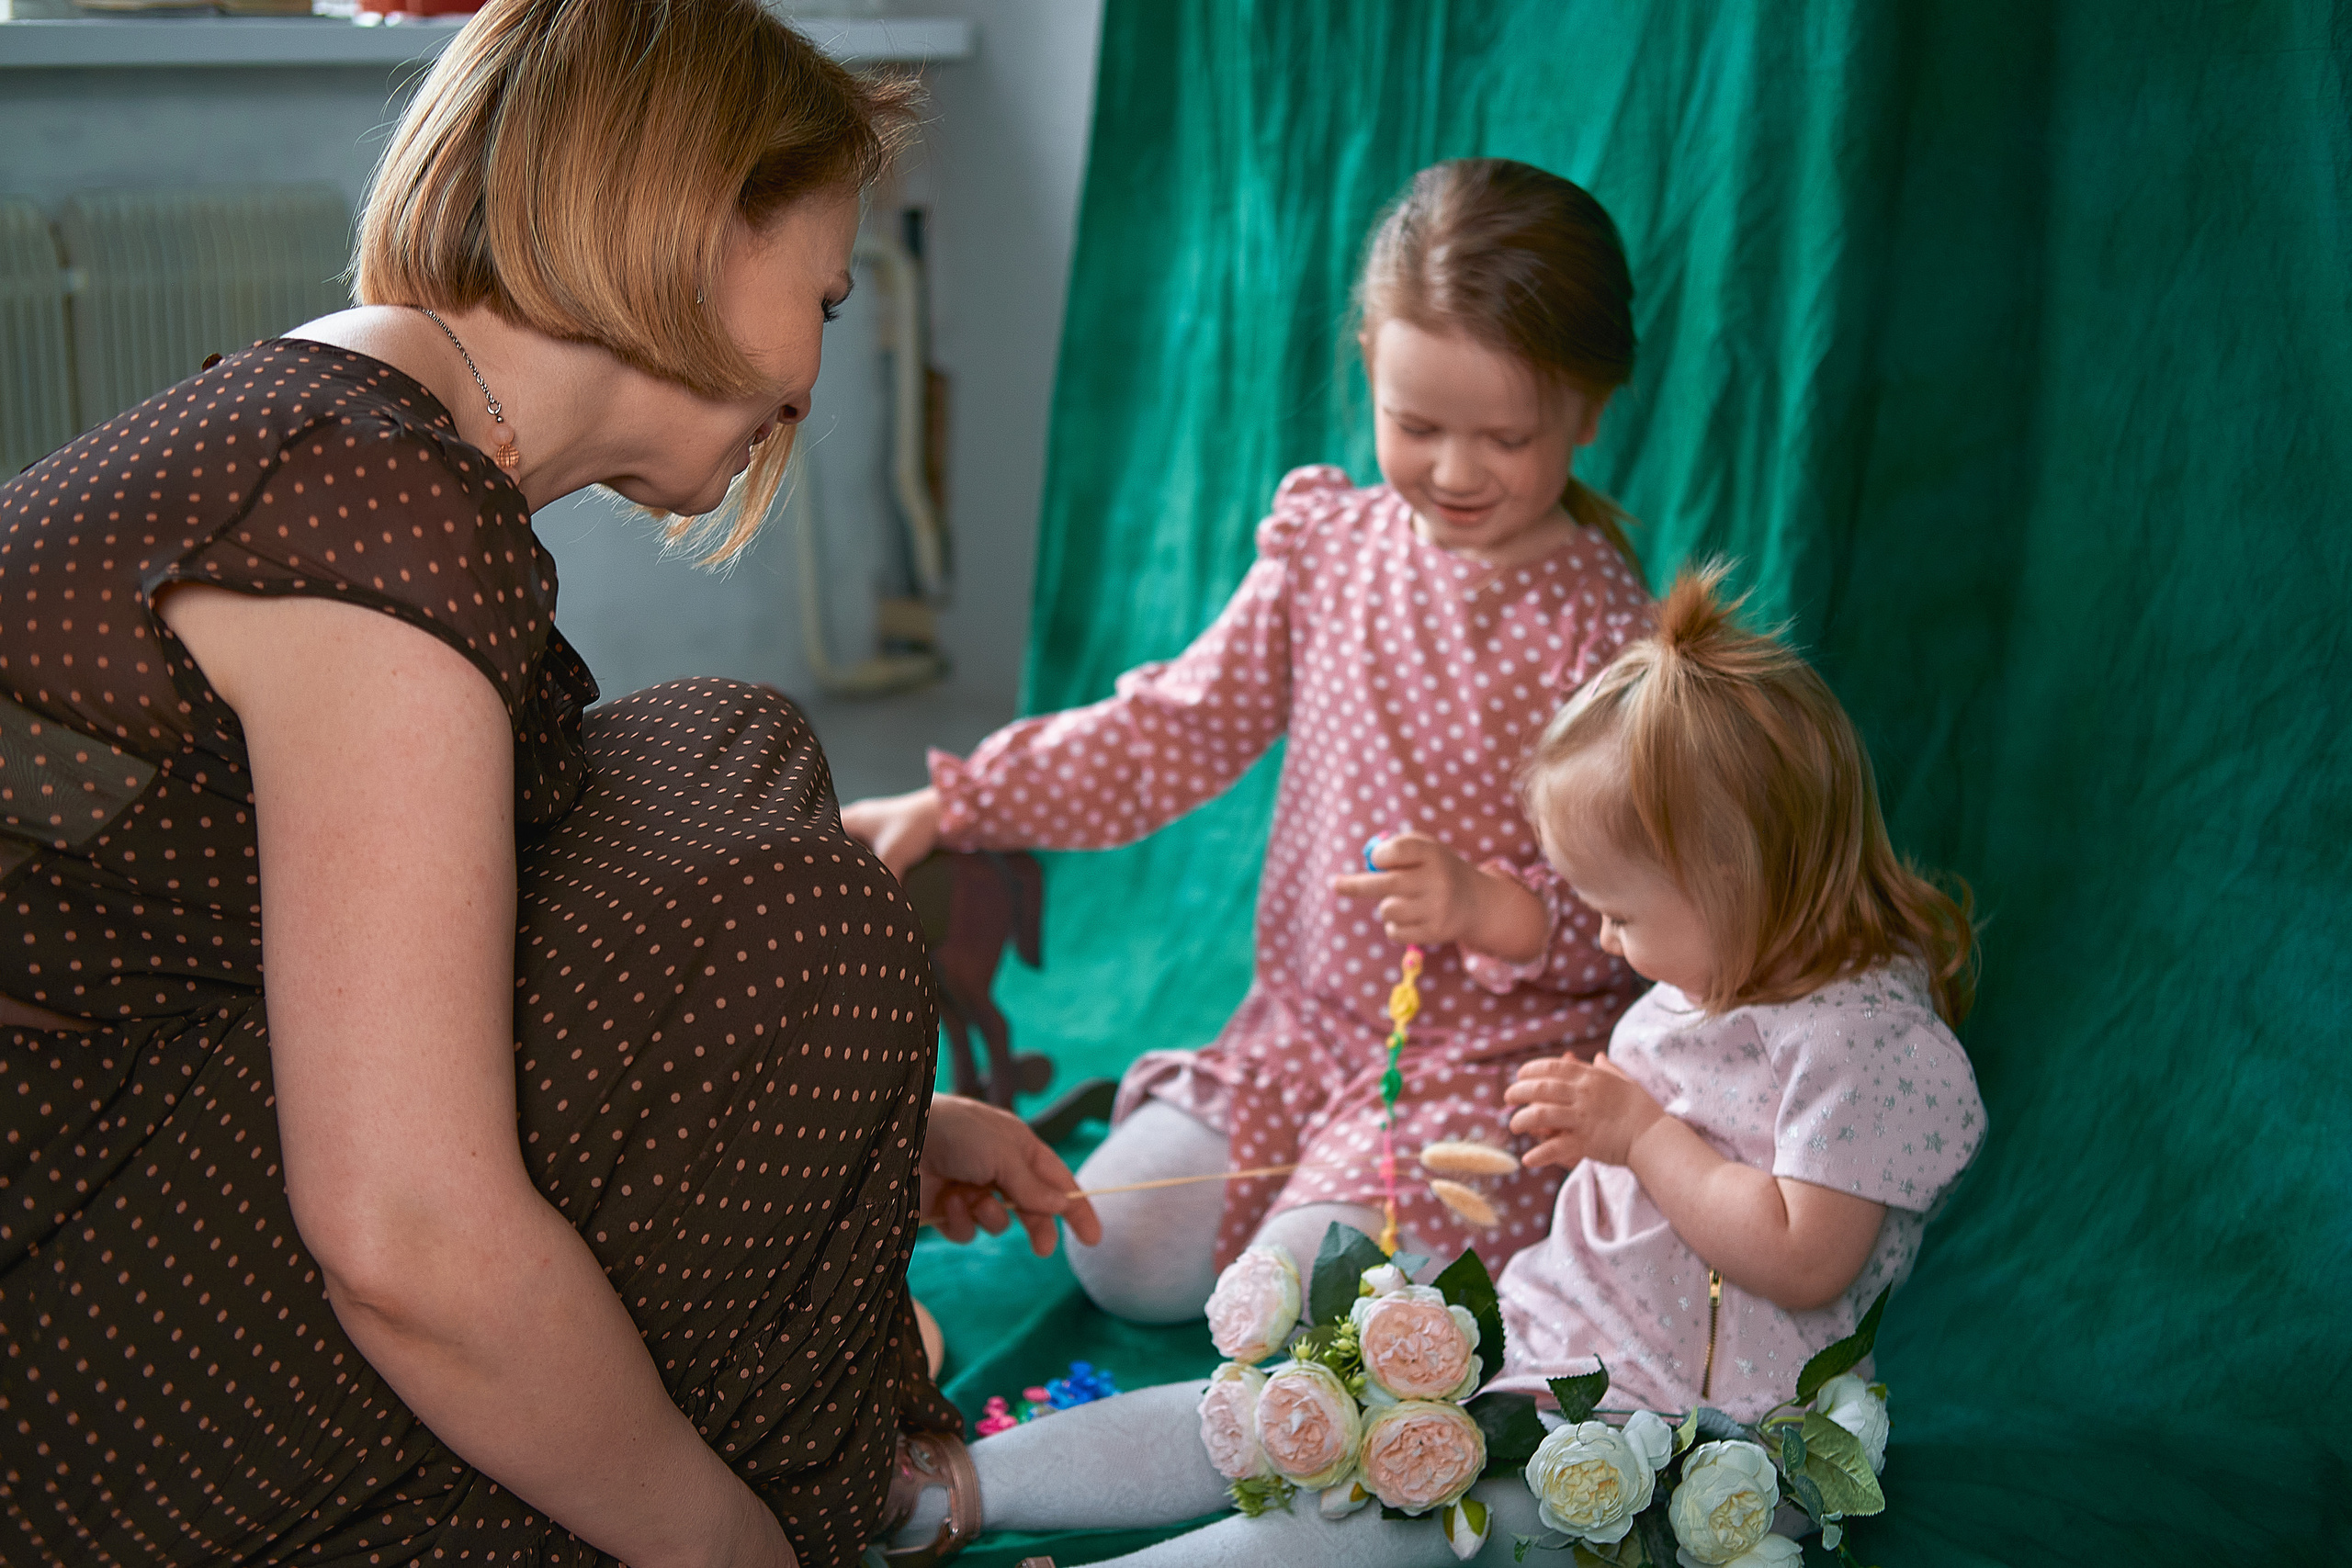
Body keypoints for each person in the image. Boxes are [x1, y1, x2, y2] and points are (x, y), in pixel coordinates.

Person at [0, 4, 1094, 1565]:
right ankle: (788, 1491)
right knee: (805, 925)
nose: (820, 360)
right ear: (693, 227)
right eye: (828, 293)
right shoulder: (371, 500)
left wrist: (880, 1110)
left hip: (114, 1119)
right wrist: (722, 1547)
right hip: (47, 1315)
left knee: (720, 744)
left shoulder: (349, 415)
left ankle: (736, 1413)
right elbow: (409, 1243)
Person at [883, 563, 1986, 1565]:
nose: (1603, 943)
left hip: (1681, 1437)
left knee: (1366, 1531)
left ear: (1732, 885)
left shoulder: (1868, 1047)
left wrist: (1641, 1136)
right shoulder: (1707, 975)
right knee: (1272, 1410)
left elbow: (1804, 1260)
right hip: (1547, 1354)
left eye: (1618, 913)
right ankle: (948, 1491)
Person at [846, 160, 1652, 1318]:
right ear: (1368, 365)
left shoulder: (1603, 638)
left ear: (1589, 410)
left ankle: (1411, 1247)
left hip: (1488, 1067)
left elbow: (1651, 913)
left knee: (1302, 1302)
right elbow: (1169, 728)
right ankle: (1320, 1209)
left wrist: (1493, 908)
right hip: (1305, 1033)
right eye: (1416, 425)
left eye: (1505, 437)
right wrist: (961, 801)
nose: (1456, 472)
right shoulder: (1330, 551)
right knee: (1117, 1251)